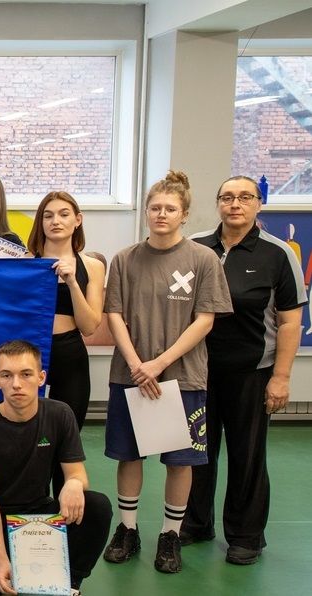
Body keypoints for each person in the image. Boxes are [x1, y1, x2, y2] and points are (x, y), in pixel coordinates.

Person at [101, 170, 232, 574]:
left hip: (183, 378)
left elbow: (205, 320)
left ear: (184, 214)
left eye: (170, 209)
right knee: (129, 456)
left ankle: (170, 535)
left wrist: (159, 364)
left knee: (180, 461)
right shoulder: (124, 259)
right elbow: (114, 315)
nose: (161, 214)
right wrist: (137, 365)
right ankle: (127, 529)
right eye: (155, 207)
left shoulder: (203, 259)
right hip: (130, 376)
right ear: (146, 212)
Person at [184, 175, 307, 565]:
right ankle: (195, 523)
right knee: (196, 452)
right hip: (198, 371)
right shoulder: (196, 247)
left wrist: (281, 377)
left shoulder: (277, 253)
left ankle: (245, 536)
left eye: (244, 197)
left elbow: (290, 322)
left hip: (252, 372)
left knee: (247, 456)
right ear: (218, 203)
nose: (235, 204)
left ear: (258, 204)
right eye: (227, 197)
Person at [0, 340, 111, 596]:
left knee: (97, 506)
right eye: (7, 375)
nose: (16, 384)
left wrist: (74, 483)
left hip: (40, 517)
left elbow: (77, 474)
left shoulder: (60, 414)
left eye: (26, 374)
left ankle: (70, 582)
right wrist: (1, 559)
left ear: (41, 378)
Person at [25, 191, 105, 429]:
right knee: (26, 432)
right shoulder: (23, 262)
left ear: (77, 220)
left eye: (63, 214)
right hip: (28, 352)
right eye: (48, 216)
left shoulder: (93, 266)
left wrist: (72, 283)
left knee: (67, 430)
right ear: (40, 222)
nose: (55, 221)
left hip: (69, 353)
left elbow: (89, 327)